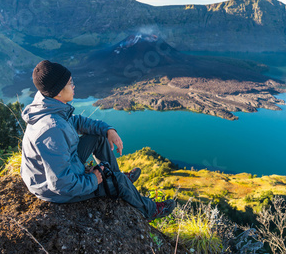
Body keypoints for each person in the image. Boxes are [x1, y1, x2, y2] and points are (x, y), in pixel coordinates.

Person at [20, 60, 176, 220]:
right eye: (70, 83)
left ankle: (114, 176)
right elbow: (61, 185)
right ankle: (149, 210)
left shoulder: (49, 104)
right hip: (53, 190)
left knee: (98, 137)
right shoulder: (51, 129)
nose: (74, 86)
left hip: (63, 165)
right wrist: (93, 179)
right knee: (120, 182)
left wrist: (108, 130)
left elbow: (78, 122)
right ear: (58, 91)